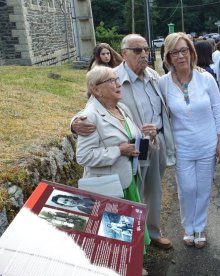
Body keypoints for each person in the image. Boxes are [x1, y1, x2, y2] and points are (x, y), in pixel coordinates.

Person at [72, 34, 175, 250]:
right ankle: (130, 248)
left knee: (154, 190)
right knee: (130, 196)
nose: (144, 54)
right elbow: (89, 110)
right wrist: (73, 124)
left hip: (152, 141)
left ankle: (151, 233)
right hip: (127, 152)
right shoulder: (111, 77)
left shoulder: (154, 76)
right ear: (124, 52)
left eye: (146, 49)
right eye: (137, 51)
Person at [74, 66, 152, 264]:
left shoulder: (121, 108)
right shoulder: (90, 117)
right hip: (108, 187)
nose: (118, 84)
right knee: (114, 238)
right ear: (96, 89)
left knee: (127, 234)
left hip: (127, 181)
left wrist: (144, 135)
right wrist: (119, 151)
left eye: (117, 79)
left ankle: (130, 265)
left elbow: (128, 136)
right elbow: (83, 156)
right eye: (111, 81)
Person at [158, 32, 220, 249]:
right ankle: (188, 226)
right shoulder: (163, 84)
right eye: (175, 52)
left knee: (203, 188)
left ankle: (199, 227)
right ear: (168, 57)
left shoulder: (205, 78)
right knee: (187, 189)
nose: (180, 56)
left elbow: (218, 110)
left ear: (191, 52)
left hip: (207, 143)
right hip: (181, 146)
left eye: (184, 50)